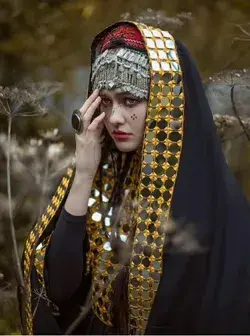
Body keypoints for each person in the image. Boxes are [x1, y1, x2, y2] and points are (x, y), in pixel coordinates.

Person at [18, 20, 250, 335]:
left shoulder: (214, 205)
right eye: (106, 102)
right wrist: (84, 173)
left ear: (165, 102)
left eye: (130, 101)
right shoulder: (105, 178)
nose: (115, 118)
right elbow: (58, 290)